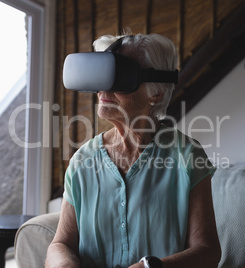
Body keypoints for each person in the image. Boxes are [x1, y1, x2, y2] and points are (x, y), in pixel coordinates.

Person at [46, 33, 221, 268]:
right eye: (103, 75)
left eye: (120, 77)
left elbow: (208, 252)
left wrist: (149, 267)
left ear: (155, 93)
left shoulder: (187, 155)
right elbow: (61, 243)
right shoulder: (82, 161)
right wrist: (65, 264)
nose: (104, 88)